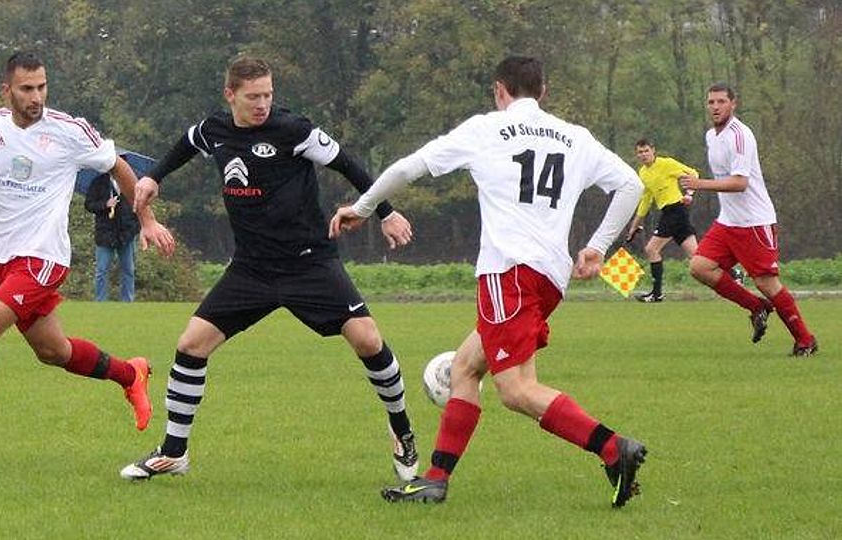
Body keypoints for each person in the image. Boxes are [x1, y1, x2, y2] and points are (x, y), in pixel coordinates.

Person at [330, 56, 647, 508]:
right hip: (549, 280)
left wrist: (361, 209)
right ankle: (435, 480)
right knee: (465, 367)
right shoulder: (576, 138)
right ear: (543, 91)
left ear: (500, 91)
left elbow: (408, 168)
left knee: (515, 391)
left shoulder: (486, 130)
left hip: (507, 275)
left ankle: (614, 448)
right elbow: (630, 185)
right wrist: (596, 246)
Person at [119, 56, 420, 481]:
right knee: (191, 345)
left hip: (308, 263)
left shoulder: (295, 130)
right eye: (253, 96)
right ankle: (173, 453)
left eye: (268, 95)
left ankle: (402, 431)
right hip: (251, 270)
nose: (262, 104)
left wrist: (384, 211)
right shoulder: (215, 130)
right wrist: (155, 178)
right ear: (231, 95)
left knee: (369, 341)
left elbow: (350, 165)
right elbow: (187, 142)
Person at [0, 51, 176, 457]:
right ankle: (129, 373)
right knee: (54, 352)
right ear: (7, 90)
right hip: (5, 259)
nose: (36, 96)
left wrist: (147, 221)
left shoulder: (69, 130)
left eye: (42, 87)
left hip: (44, 258)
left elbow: (119, 167)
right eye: (27, 88)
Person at [680, 83, 817, 356]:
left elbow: (740, 183)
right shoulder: (711, 136)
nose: (715, 107)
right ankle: (757, 307)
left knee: (766, 283)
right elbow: (722, 177)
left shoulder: (741, 136)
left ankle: (805, 340)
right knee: (700, 266)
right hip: (729, 222)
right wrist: (696, 187)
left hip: (754, 223)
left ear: (733, 104)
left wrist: (700, 183)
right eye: (711, 102)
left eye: (721, 101)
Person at [625, 139, 699, 302]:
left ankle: (656, 293)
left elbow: (693, 174)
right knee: (697, 258)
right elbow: (645, 201)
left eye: (646, 151)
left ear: (653, 150)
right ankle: (735, 275)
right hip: (670, 212)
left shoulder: (667, 163)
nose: (643, 155)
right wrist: (633, 227)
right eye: (640, 152)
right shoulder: (643, 173)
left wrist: (689, 194)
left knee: (651, 249)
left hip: (676, 210)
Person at [85, 171, 140, 301]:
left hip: (126, 234)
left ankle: (128, 301)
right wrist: (105, 204)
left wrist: (135, 228)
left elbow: (138, 206)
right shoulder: (98, 182)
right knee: (102, 270)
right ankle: (100, 301)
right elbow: (89, 205)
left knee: (128, 270)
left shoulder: (131, 183)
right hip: (105, 234)